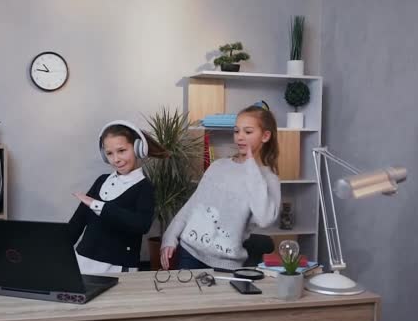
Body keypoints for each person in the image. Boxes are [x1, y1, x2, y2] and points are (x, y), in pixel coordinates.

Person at [160, 105, 281, 271]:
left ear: (265, 136)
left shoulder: (268, 179)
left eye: (248, 132)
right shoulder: (218, 166)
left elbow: (265, 219)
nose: (240, 137)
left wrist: (251, 166)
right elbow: (193, 205)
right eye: (236, 131)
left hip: (227, 262)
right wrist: (170, 237)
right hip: (190, 252)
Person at [69, 120, 168, 274]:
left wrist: (99, 206)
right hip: (82, 261)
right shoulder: (101, 181)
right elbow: (77, 224)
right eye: (109, 153)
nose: (116, 159)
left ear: (137, 148)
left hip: (117, 267)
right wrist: (55, 251)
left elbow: (141, 225)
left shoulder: (144, 187)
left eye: (121, 150)